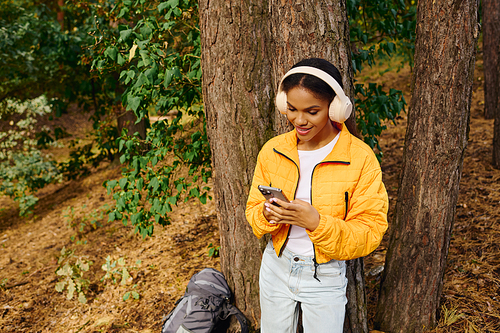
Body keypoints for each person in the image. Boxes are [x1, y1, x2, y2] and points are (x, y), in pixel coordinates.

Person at [245, 58, 389, 333]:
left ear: (335, 108)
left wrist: (317, 223)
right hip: (276, 268)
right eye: (292, 110)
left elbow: (371, 230)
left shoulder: (359, 158)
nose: (299, 120)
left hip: (325, 275)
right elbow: (253, 211)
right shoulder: (272, 151)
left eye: (312, 111)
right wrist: (267, 214)